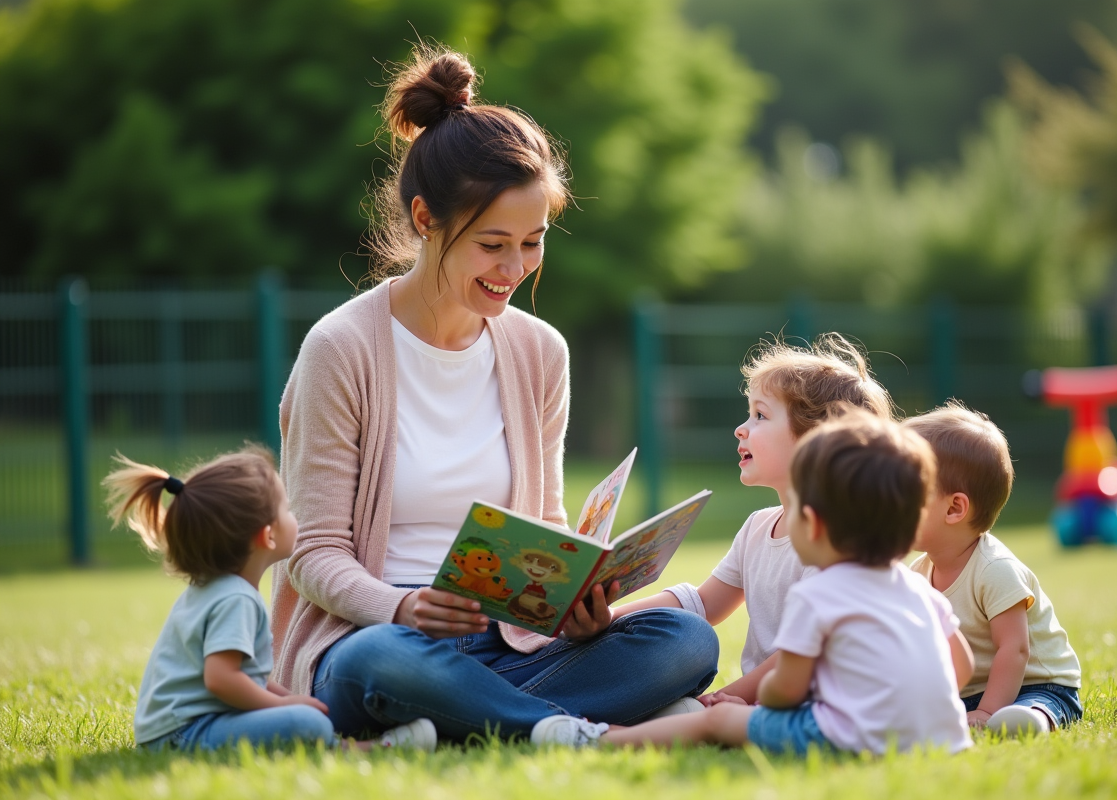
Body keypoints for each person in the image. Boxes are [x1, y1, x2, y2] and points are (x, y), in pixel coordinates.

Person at [269, 47, 717, 748]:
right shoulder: (342, 350)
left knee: (685, 640)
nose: (514, 270)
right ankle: (580, 730)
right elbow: (313, 552)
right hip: (383, 638)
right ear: (425, 218)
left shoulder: (539, 353)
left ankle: (461, 724)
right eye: (492, 245)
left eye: (533, 244)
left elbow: (544, 527)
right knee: (376, 663)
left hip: (511, 648)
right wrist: (403, 607)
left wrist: (575, 606)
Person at [554, 412, 973, 753]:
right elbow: (963, 666)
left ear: (811, 524)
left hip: (847, 738)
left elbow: (786, 690)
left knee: (716, 721)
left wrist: (745, 705)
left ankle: (605, 738)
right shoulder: (917, 587)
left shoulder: (820, 594)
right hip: (941, 740)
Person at [613, 334, 894, 708]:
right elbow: (703, 603)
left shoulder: (837, 541)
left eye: (760, 416)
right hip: (765, 701)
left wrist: (723, 700)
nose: (741, 429)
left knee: (693, 722)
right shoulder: (758, 527)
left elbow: (801, 650)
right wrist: (611, 618)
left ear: (817, 440)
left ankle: (597, 732)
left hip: (817, 703)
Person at [106, 447, 339, 751]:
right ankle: (352, 748)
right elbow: (222, 679)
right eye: (287, 509)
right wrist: (283, 707)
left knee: (305, 715)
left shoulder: (217, 589)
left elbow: (244, 675)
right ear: (268, 536)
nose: (294, 516)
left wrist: (287, 698)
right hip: (185, 734)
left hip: (174, 730)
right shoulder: (236, 599)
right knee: (309, 725)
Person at [905, 403, 1083, 736]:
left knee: (1033, 707)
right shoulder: (918, 572)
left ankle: (1033, 720)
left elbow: (1014, 648)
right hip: (973, 692)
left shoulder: (994, 570)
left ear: (955, 508)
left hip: (1038, 683)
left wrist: (988, 710)